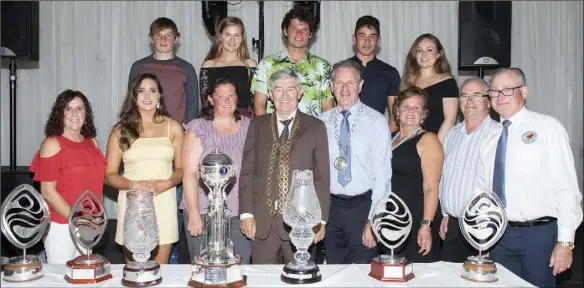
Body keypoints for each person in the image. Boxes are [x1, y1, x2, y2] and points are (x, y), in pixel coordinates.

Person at [476, 67, 583, 287]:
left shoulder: (547, 127)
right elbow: (483, 192)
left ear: (524, 92)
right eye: (494, 91)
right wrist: (484, 235)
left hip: (539, 237)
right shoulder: (489, 137)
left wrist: (566, 242)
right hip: (499, 238)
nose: (499, 97)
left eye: (507, 90)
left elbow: (566, 188)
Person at [239, 68, 330, 264]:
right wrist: (246, 213)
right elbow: (247, 172)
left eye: (290, 89)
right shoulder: (257, 125)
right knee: (261, 282)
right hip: (261, 224)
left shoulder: (315, 127)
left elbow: (322, 178)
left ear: (300, 92)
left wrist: (321, 221)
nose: (285, 95)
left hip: (302, 226)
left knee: (300, 280)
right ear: (270, 95)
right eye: (278, 90)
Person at [127, 17, 198, 264]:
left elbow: (192, 107)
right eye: (159, 35)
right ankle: (139, 258)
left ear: (176, 39)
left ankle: (172, 261)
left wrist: (183, 139)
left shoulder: (186, 68)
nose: (164, 40)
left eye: (169, 35)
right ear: (151, 38)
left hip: (173, 146)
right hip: (144, 146)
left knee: (171, 210)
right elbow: (131, 105)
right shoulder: (139, 66)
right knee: (140, 209)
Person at [105, 73, 184, 264]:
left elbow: (183, 170)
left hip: (163, 200)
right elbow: (109, 175)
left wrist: (167, 183)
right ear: (134, 96)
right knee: (134, 271)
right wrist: (133, 185)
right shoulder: (120, 130)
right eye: (141, 91)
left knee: (160, 271)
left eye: (152, 90)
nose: (147, 96)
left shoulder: (173, 127)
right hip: (133, 202)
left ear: (159, 96)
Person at [319, 60, 392, 264]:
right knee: (333, 271)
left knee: (362, 276)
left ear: (360, 86)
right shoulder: (320, 123)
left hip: (363, 208)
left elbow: (383, 176)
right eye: (339, 83)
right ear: (332, 87)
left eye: (350, 83)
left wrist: (373, 220)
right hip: (331, 208)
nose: (344, 89)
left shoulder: (376, 122)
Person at [29, 90, 106, 264]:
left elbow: (96, 185)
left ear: (86, 114)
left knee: (83, 277)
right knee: (61, 278)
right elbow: (48, 192)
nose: (74, 114)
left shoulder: (93, 143)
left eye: (79, 108)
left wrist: (96, 220)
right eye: (68, 109)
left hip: (89, 225)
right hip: (61, 226)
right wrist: (77, 219)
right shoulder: (51, 144)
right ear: (60, 114)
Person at [181, 77, 251, 264]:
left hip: (239, 213)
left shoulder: (250, 126)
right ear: (211, 100)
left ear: (237, 98)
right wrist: (194, 213)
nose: (226, 100)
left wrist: (251, 213)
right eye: (221, 96)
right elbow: (189, 173)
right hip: (204, 212)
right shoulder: (198, 127)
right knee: (204, 268)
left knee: (238, 267)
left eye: (231, 95)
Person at [437, 77, 497, 262]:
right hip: (453, 226)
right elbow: (444, 176)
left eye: (476, 95)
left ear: (488, 101)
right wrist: (445, 213)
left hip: (484, 226)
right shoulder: (452, 134)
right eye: (464, 96)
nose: (469, 101)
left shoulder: (498, 134)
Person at [390, 86, 443, 263]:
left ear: (424, 113)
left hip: (415, 222)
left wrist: (426, 225)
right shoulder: (389, 138)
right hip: (390, 220)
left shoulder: (428, 140)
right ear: (397, 111)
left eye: (416, 107)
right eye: (406, 106)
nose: (410, 111)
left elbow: (431, 187)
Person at [251, 6, 333, 117]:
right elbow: (259, 104)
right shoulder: (267, 64)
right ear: (285, 31)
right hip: (274, 132)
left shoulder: (323, 67)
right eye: (294, 28)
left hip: (311, 132)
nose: (299, 33)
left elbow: (328, 110)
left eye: (304, 29)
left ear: (310, 34)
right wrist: (267, 133)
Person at [399, 33, 458, 143]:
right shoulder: (408, 81)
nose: (424, 54)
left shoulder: (448, 82)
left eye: (429, 50)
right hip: (409, 141)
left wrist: (436, 145)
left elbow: (450, 119)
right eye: (419, 50)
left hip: (435, 142)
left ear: (438, 54)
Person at [347, 15, 401, 130]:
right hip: (344, 136)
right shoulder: (341, 69)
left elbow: (395, 117)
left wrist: (385, 141)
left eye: (372, 36)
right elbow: (331, 110)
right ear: (354, 38)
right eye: (362, 36)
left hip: (376, 137)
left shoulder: (390, 73)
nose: (367, 41)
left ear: (378, 41)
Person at [199, 17, 257, 118]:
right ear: (220, 37)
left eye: (237, 35)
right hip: (215, 122)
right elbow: (205, 104)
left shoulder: (250, 65)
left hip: (244, 122)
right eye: (228, 35)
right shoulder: (208, 66)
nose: (232, 40)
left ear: (242, 38)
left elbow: (254, 104)